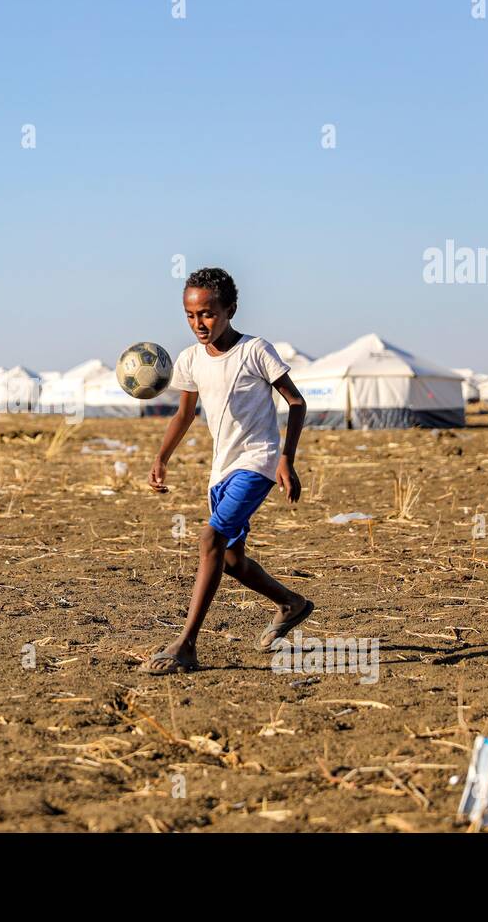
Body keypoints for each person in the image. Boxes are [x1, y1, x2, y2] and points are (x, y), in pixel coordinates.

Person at [140, 267, 314, 674]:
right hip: (221, 470)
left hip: (258, 461)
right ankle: (292, 603)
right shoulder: (190, 359)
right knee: (231, 560)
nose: (199, 323)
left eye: (207, 314)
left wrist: (286, 458)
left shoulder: (255, 351)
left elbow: (297, 402)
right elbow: (184, 413)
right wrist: (162, 457)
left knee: (209, 540)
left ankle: (186, 645)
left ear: (230, 309)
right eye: (190, 315)